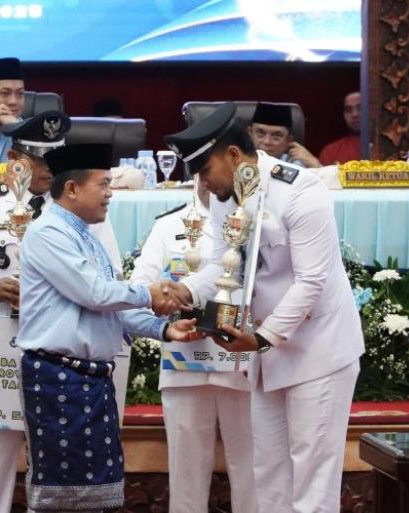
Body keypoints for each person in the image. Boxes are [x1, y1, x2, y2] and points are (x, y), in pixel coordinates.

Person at [163, 102, 365, 513]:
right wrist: (183, 291)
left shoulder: (301, 190)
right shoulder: (227, 196)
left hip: (316, 351)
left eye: (205, 170)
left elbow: (311, 281)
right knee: (268, 478)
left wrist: (262, 338)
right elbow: (224, 266)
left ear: (233, 155)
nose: (203, 183)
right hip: (264, 356)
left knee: (312, 483)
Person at [0, 112, 121, 513]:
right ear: (16, 159)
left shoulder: (82, 206)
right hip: (0, 347)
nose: (50, 168)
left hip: (61, 358)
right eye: (41, 159)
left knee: (66, 463)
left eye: (57, 157)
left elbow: (112, 277)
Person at [15, 143, 197, 513]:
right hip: (57, 378)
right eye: (103, 184)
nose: (110, 193)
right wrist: (149, 293)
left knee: (92, 496)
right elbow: (94, 293)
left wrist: (163, 330)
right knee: (59, 498)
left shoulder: (87, 236)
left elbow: (110, 307)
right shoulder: (48, 232)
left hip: (89, 378)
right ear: (72, 189)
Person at [129, 177, 257, 513]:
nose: (211, 182)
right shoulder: (169, 225)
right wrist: (169, 305)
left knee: (252, 473)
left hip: (238, 363)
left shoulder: (255, 222)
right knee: (186, 479)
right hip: (184, 364)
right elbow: (139, 286)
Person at [318, 91, 361, 166]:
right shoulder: (331, 152)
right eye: (348, 110)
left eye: (360, 108)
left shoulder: (382, 147)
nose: (354, 114)